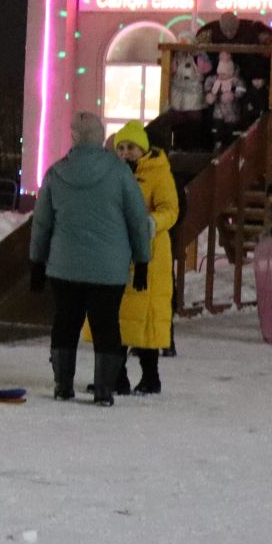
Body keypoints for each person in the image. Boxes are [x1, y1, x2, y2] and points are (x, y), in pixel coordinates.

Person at [29, 110, 152, 406]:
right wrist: (143, 259)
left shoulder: (56, 172)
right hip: (108, 270)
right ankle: (104, 391)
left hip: (64, 266)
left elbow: (42, 223)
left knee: (65, 322)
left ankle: (62, 385)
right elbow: (137, 220)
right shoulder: (120, 172)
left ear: (74, 136)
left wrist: (36, 262)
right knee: (106, 325)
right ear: (100, 138)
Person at [110, 121, 177, 395]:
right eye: (121, 148)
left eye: (132, 147)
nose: (126, 153)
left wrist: (152, 222)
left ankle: (150, 375)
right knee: (119, 316)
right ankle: (117, 374)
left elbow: (170, 209)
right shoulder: (113, 174)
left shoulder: (159, 173)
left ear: (143, 149)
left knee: (145, 317)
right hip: (119, 253)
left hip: (150, 256)